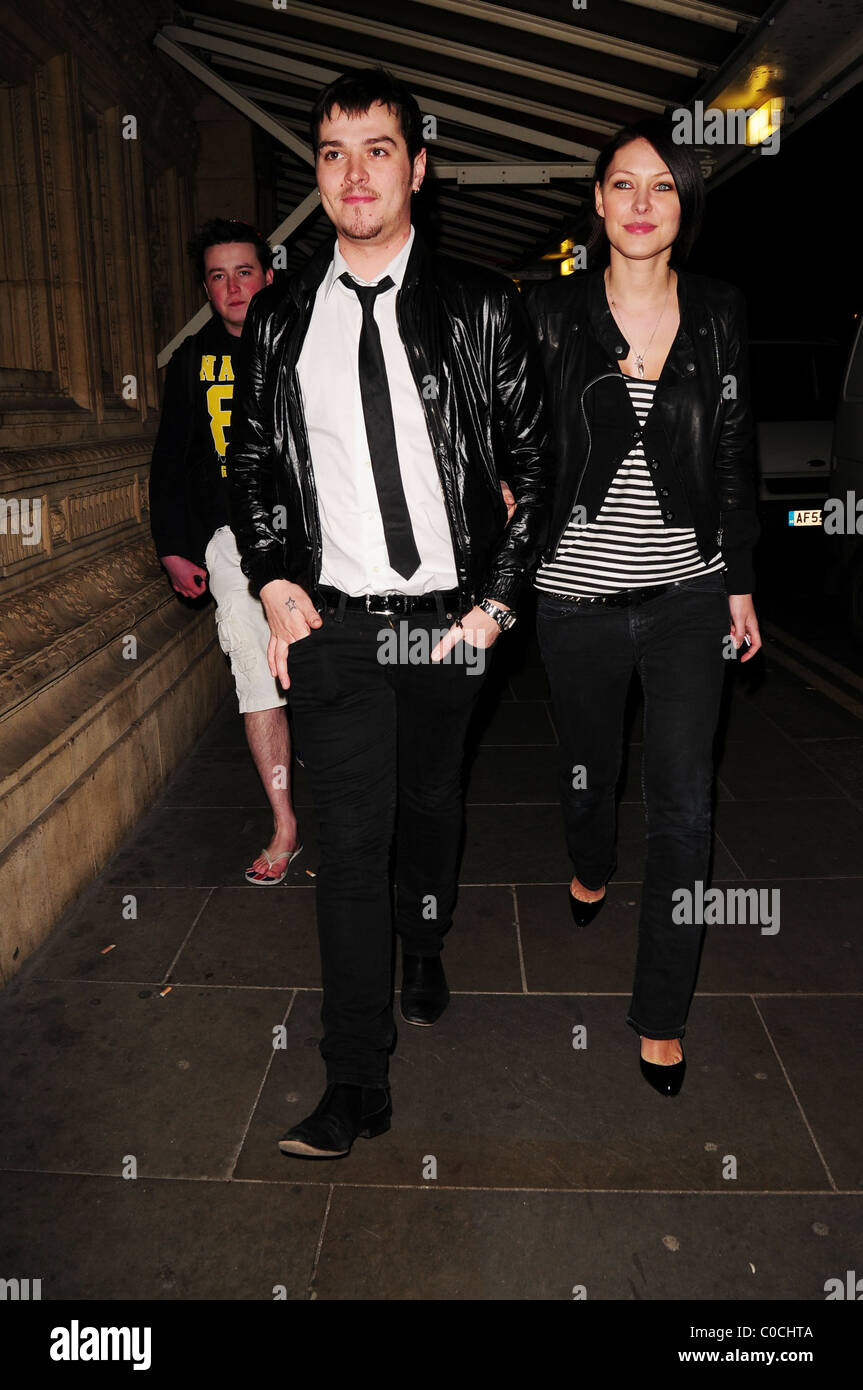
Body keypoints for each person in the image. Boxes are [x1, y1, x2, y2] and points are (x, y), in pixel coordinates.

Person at [227, 67, 550, 1157]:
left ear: (416, 167)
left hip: (448, 621)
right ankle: (353, 1079)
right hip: (334, 629)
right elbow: (254, 465)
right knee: (348, 850)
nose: (352, 172)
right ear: (316, 176)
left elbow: (532, 469)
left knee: (429, 805)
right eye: (330, 152)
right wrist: (272, 578)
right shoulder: (276, 322)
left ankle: (426, 939)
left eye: (376, 149)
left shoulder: (481, 306)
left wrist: (496, 608)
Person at [526, 118, 761, 1097]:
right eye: (621, 183)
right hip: (571, 601)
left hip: (684, 597)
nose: (637, 201)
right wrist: (500, 485)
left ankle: (659, 1012)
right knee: (591, 777)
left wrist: (737, 578)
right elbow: (506, 425)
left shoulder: (716, 310)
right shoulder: (545, 310)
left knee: (682, 805)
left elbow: (732, 450)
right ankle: (587, 852)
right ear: (595, 199)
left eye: (659, 186)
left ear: (681, 206)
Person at [149, 219, 302, 886]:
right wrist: (175, 548)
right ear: (205, 288)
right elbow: (171, 461)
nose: (233, 286)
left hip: (315, 538)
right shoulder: (191, 361)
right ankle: (284, 822)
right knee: (253, 674)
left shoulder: (305, 340)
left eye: (244, 271)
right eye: (217, 275)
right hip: (228, 542)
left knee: (324, 667)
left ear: (267, 276)